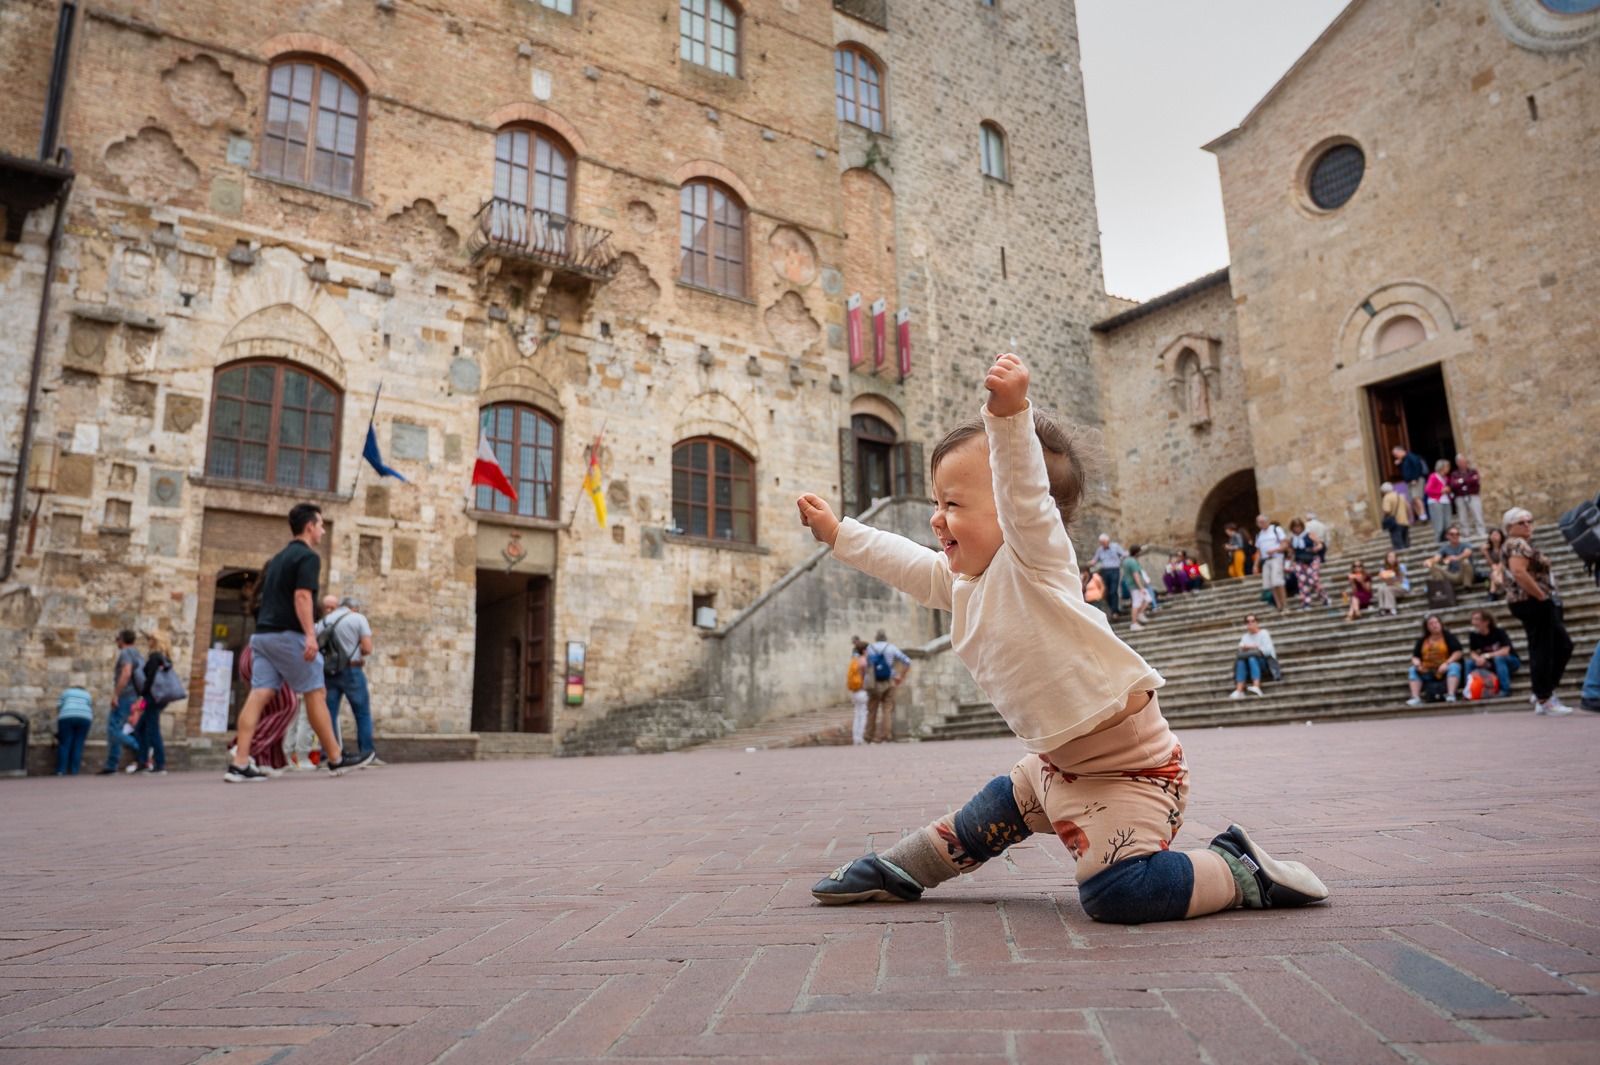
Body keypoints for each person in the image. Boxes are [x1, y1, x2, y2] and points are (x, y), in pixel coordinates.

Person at [796, 352, 1328, 923]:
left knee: (1118, 895)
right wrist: (839, 534)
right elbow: (902, 561)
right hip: (1051, 769)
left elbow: (1024, 494)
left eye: (953, 504)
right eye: (935, 504)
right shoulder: (963, 582)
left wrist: (1009, 417)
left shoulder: (1035, 560)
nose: (937, 519)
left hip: (1131, 776)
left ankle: (1236, 868)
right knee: (982, 820)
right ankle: (902, 869)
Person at [225, 503, 373, 782]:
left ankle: (240, 763)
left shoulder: (279, 557)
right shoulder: (308, 557)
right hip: (287, 635)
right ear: (310, 527)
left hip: (263, 636)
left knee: (258, 695)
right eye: (321, 525)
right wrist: (308, 635)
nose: (323, 530)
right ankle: (336, 758)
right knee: (316, 694)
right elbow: (302, 597)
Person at [1501, 507, 1575, 715]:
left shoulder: (1521, 544)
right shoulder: (1516, 544)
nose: (1527, 525)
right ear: (1509, 528)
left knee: (1560, 644)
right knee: (1544, 647)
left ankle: (1543, 690)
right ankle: (1544, 697)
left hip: (1534, 601)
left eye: (1529, 521)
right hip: (1532, 601)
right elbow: (1518, 572)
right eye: (1521, 523)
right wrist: (1541, 596)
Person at [316, 595, 382, 766]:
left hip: (329, 672)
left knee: (328, 713)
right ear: (355, 608)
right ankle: (367, 754)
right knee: (362, 714)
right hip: (352, 670)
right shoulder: (358, 618)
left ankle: (328, 755)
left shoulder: (323, 621)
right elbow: (367, 647)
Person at [97, 630, 144, 775]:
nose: (117, 642)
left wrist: (116, 694)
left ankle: (140, 749)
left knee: (113, 729)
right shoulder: (138, 654)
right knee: (117, 728)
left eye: (117, 639)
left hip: (125, 696)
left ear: (122, 639)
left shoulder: (126, 653)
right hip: (134, 696)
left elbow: (126, 673)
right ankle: (112, 764)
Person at [131, 632, 175, 775]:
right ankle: (143, 761)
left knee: (152, 730)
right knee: (140, 728)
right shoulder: (165, 658)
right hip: (159, 698)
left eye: (149, 639)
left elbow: (149, 680)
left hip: (152, 698)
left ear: (155, 641)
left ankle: (160, 763)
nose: (147, 642)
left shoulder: (155, 657)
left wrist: (141, 697)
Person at [862, 629, 911, 744]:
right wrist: (900, 677)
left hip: (874, 682)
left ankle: (868, 736)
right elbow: (907, 661)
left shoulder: (870, 648)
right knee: (887, 708)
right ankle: (886, 735)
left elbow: (865, 666)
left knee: (872, 709)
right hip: (889, 680)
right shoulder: (891, 647)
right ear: (885, 637)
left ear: (876, 637)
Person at [1407, 613, 1464, 705]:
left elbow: (1458, 652)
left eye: (1436, 622)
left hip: (1445, 669)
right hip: (1428, 670)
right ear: (1427, 627)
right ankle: (1415, 697)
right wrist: (1418, 665)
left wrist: (1447, 663)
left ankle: (1451, 694)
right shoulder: (1422, 640)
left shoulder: (1448, 636)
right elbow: (1415, 656)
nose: (1435, 625)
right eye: (1431, 623)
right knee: (1413, 669)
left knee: (1454, 666)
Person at [1466, 609, 1519, 699]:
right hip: (1489, 663)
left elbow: (1505, 651)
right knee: (1468, 663)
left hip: (1510, 661)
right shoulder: (1473, 635)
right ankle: (1468, 690)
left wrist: (1486, 656)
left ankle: (1505, 690)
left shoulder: (1499, 632)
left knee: (1499, 658)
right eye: (1472, 619)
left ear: (1486, 621)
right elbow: (1472, 652)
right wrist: (1478, 659)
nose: (1473, 622)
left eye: (1477, 619)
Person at [1229, 614, 1275, 699]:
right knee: (1241, 661)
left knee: (1252, 658)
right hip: (1249, 665)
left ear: (1256, 622)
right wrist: (1252, 648)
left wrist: (1256, 648)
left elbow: (1268, 651)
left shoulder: (1264, 633)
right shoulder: (1245, 636)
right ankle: (1239, 690)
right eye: (1247, 621)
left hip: (1265, 663)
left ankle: (1256, 686)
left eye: (1252, 621)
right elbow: (1241, 649)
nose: (1250, 623)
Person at [1286, 518, 1329, 609]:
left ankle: (1324, 597)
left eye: (1298, 526)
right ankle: (1306, 602)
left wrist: (1315, 549)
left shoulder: (1309, 534)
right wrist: (1288, 564)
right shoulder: (1293, 538)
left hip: (1311, 558)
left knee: (1313, 579)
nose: (1297, 528)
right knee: (1302, 582)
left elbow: (1320, 544)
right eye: (1295, 526)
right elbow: (1291, 552)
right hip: (1299, 561)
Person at [55, 683, 93, 776]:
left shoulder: (66, 692)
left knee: (64, 744)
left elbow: (58, 707)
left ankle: (61, 770)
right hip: (85, 717)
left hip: (67, 716)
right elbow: (89, 705)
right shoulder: (87, 694)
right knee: (78, 744)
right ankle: (74, 770)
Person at [1424, 525, 1477, 591]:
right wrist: (1429, 561)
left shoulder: (1465, 544)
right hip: (1452, 575)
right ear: (1447, 536)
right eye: (1452, 534)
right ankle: (1443, 590)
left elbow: (1468, 553)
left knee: (1465, 561)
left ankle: (1467, 587)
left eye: (1457, 534)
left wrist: (1456, 558)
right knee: (1433, 566)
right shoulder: (1445, 548)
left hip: (1464, 574)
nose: (1455, 536)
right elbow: (1436, 558)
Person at [1255, 514, 1290, 613]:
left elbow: (1285, 544)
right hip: (1266, 561)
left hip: (1276, 558)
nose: (1260, 525)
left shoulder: (1276, 530)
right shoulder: (1259, 535)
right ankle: (1279, 605)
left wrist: (1275, 550)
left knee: (1277, 582)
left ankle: (1285, 605)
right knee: (1271, 585)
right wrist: (1256, 565)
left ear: (1267, 521)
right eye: (1258, 523)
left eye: (1262, 522)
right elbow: (1258, 551)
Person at [1450, 455, 1487, 542]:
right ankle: (1466, 533)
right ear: (1457, 463)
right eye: (1460, 462)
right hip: (1460, 497)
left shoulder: (1472, 471)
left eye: (1464, 462)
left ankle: (1481, 532)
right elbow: (1453, 484)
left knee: (1477, 513)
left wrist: (1461, 481)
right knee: (1463, 516)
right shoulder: (1454, 474)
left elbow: (1475, 480)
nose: (1462, 464)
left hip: (1472, 496)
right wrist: (1466, 480)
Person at [1091, 534, 1127, 618]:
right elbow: (1095, 560)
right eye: (1101, 543)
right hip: (1105, 571)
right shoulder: (1099, 550)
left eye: (1104, 542)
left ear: (1108, 541)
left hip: (1114, 570)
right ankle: (1112, 609)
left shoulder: (1115, 547)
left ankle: (1115, 610)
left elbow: (1123, 554)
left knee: (1113, 590)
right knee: (1106, 591)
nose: (1103, 544)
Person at [1393, 445, 1428, 522]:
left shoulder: (1411, 456)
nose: (1395, 456)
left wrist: (1415, 478)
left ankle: (1423, 515)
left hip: (1416, 480)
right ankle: (1420, 517)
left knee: (1417, 498)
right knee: (1412, 500)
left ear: (1401, 451)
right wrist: (1399, 464)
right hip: (1409, 481)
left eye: (1396, 454)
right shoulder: (1403, 460)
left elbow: (1417, 466)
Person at [1122, 545, 1154, 630]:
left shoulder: (1126, 561)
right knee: (1136, 604)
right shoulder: (1133, 562)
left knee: (1148, 598)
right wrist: (1141, 587)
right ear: (1137, 553)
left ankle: (1140, 615)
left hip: (1133, 585)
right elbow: (1135, 575)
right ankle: (1134, 623)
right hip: (1136, 586)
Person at [846, 637, 870, 745]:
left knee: (857, 714)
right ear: (864, 650)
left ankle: (855, 738)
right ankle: (860, 738)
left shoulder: (854, 661)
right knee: (863, 713)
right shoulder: (864, 661)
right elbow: (866, 677)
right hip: (862, 690)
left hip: (855, 690)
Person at [1373, 549, 1410, 616]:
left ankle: (1392, 608)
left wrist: (1391, 580)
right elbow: (1386, 582)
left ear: (1396, 558)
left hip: (1401, 586)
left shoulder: (1401, 566)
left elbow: (1400, 582)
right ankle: (1382, 609)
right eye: (1389, 557)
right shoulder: (1383, 569)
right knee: (1381, 588)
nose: (1391, 559)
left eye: (1393, 557)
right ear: (1386, 559)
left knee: (1387, 588)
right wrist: (1386, 579)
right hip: (1390, 587)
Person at [1424, 460, 1453, 544]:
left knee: (1447, 523)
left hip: (1446, 501)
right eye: (1447, 467)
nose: (1448, 469)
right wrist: (1441, 491)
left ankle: (1448, 540)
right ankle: (1438, 541)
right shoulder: (1433, 476)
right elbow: (1428, 490)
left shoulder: (1446, 478)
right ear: (1442, 467)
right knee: (1438, 524)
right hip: (1436, 501)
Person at [1379, 482, 1412, 550]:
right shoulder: (1401, 496)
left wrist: (1384, 518)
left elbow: (1387, 510)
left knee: (1398, 545)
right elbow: (1408, 509)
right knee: (1406, 543)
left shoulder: (1387, 498)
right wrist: (1408, 518)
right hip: (1405, 522)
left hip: (1395, 523)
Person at [1483, 527, 1508, 600]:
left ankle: (1492, 593)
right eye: (1493, 535)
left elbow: (1503, 562)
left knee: (1495, 573)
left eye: (1496, 534)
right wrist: (1485, 553)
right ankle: (1502, 590)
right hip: (1494, 571)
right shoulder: (1489, 549)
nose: (1494, 537)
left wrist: (1496, 570)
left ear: (1501, 536)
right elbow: (1490, 564)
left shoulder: (1505, 547)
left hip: (1505, 569)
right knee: (1494, 573)